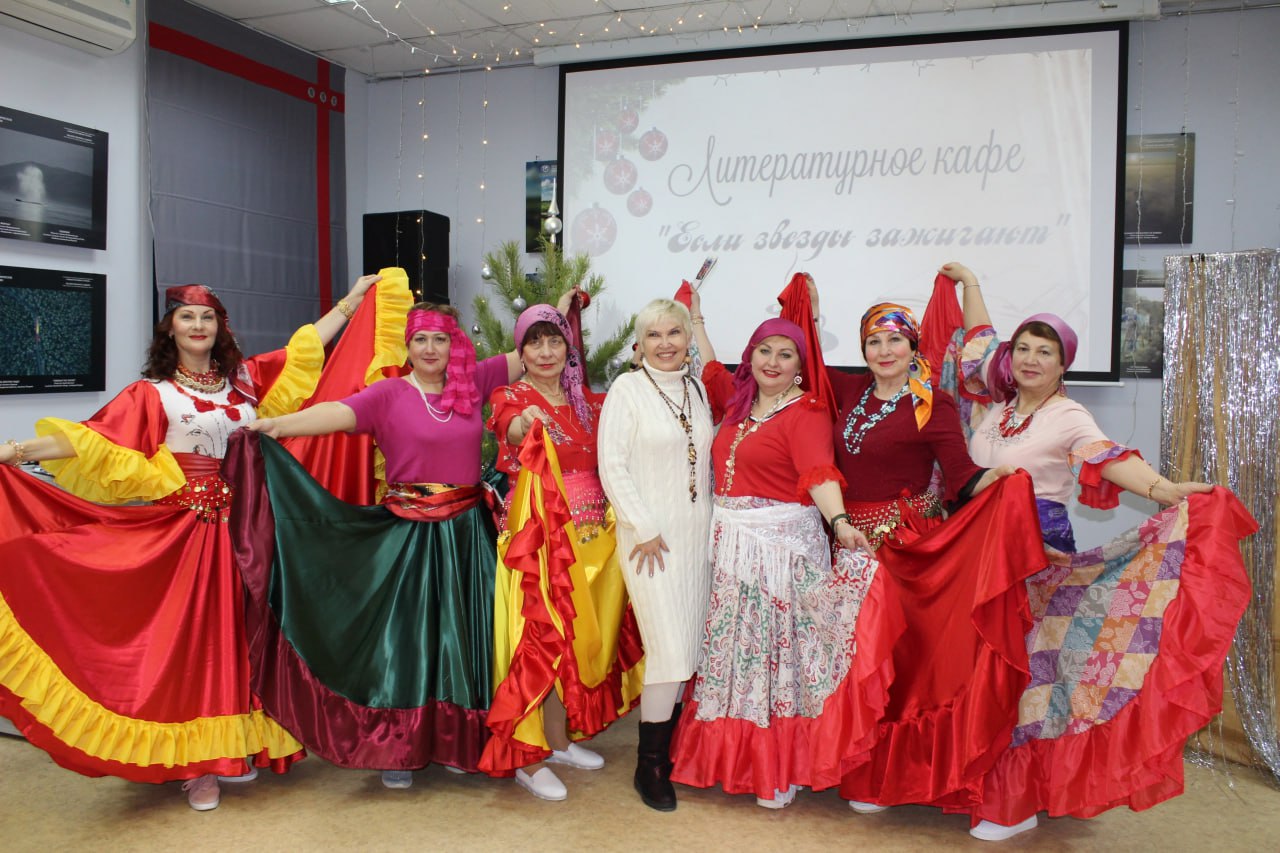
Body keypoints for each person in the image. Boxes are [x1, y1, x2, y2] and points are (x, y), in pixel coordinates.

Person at [0, 274, 382, 811]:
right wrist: (16, 451)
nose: (198, 326)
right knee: (198, 644)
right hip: (192, 533)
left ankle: (237, 745)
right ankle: (198, 765)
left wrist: (351, 301)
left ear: (220, 327)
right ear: (170, 329)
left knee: (246, 635)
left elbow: (305, 347)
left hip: (251, 526)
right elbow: (87, 439)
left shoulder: (245, 381)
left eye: (208, 317)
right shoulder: (151, 394)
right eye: (187, 317)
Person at [945, 261, 1254, 841]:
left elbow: (1106, 456)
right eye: (1024, 349)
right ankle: (972, 780)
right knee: (977, 670)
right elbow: (979, 343)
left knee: (1026, 671)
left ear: (1063, 365)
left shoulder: (1068, 415)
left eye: (1046, 352)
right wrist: (972, 285)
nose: (1031, 359)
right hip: (976, 553)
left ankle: (1016, 799)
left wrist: (1163, 491)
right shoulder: (998, 405)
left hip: (1033, 555)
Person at [788, 276, 1047, 820]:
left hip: (904, 551)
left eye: (895, 340)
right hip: (847, 546)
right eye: (873, 342)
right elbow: (800, 360)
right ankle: (859, 766)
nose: (884, 351)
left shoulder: (934, 404)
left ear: (912, 346)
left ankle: (890, 775)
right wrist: (808, 309)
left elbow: (960, 477)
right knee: (852, 661)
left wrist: (999, 480)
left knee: (898, 664)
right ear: (863, 349)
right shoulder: (850, 392)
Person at [236, 300, 523, 790]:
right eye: (420, 340)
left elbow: (533, 349)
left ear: (454, 344)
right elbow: (337, 412)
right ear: (407, 346)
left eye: (440, 339)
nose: (430, 349)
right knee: (407, 642)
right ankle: (399, 745)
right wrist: (278, 425)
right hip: (408, 536)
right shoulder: (389, 393)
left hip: (466, 537)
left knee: (463, 637)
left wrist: (563, 312)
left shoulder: (472, 381)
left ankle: (457, 740)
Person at [667, 302, 888, 810]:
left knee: (776, 658)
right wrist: (697, 317)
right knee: (736, 655)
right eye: (764, 350)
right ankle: (739, 762)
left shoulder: (806, 412)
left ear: (800, 366)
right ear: (751, 356)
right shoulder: (737, 402)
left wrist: (840, 522)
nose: (772, 361)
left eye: (785, 354)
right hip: (730, 550)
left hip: (779, 552)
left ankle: (781, 768)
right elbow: (710, 366)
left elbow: (818, 472)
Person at [479, 298, 644, 801]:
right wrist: (526, 420)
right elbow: (510, 427)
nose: (546, 352)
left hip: (593, 543)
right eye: (535, 344)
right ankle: (528, 759)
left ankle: (557, 739)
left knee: (572, 645)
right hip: (539, 541)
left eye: (555, 341)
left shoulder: (590, 402)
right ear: (521, 352)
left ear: (568, 349)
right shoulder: (510, 395)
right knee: (539, 641)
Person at [597, 298, 714, 812]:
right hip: (649, 541)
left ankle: (672, 752)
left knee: (688, 648)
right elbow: (612, 465)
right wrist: (642, 526)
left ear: (688, 338)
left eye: (674, 333)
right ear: (639, 344)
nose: (665, 343)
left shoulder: (696, 387)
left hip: (696, 539)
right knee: (668, 650)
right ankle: (650, 766)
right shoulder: (627, 390)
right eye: (654, 335)